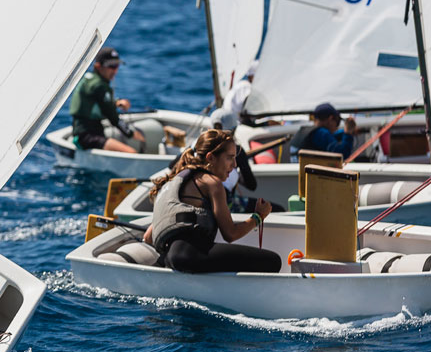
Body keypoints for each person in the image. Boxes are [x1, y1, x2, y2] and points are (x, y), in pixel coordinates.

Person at [143, 129, 281, 273]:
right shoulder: (212, 183)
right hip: (190, 257)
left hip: (170, 259)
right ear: (210, 158)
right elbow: (230, 234)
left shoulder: (175, 182)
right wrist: (258, 216)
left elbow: (148, 237)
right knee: (273, 261)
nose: (234, 165)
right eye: (229, 158)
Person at [69, 46, 144, 153]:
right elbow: (113, 118)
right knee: (131, 152)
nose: (115, 70)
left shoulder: (90, 79)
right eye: (111, 66)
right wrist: (132, 133)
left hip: (83, 133)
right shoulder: (99, 86)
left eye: (117, 65)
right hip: (87, 137)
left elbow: (98, 102)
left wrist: (116, 102)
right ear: (98, 66)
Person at [209, 59, 257, 130]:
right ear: (252, 76)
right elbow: (246, 116)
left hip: (228, 122)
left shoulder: (240, 85)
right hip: (234, 126)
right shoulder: (247, 89)